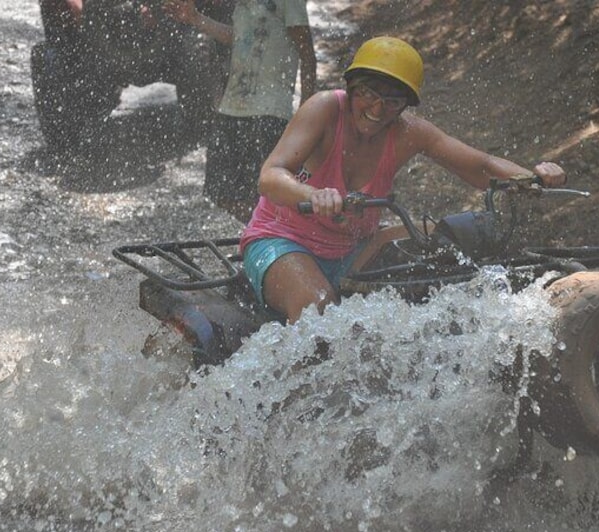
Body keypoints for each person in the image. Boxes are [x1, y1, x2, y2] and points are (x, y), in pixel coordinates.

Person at [238, 36, 567, 323]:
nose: (377, 109)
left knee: (443, 246)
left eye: (392, 101)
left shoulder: (409, 132)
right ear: (352, 88)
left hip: (356, 250)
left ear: (404, 106)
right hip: (281, 241)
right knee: (318, 308)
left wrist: (533, 177)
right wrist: (312, 193)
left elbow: (481, 165)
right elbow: (270, 177)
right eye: (368, 94)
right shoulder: (325, 108)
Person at [163, 0, 317, 222]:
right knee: (220, 193)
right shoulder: (241, 4)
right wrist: (195, 18)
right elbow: (241, 39)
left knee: (263, 193)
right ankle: (263, 232)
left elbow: (307, 53)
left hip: (269, 112)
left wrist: (306, 113)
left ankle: (270, 237)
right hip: (231, 108)